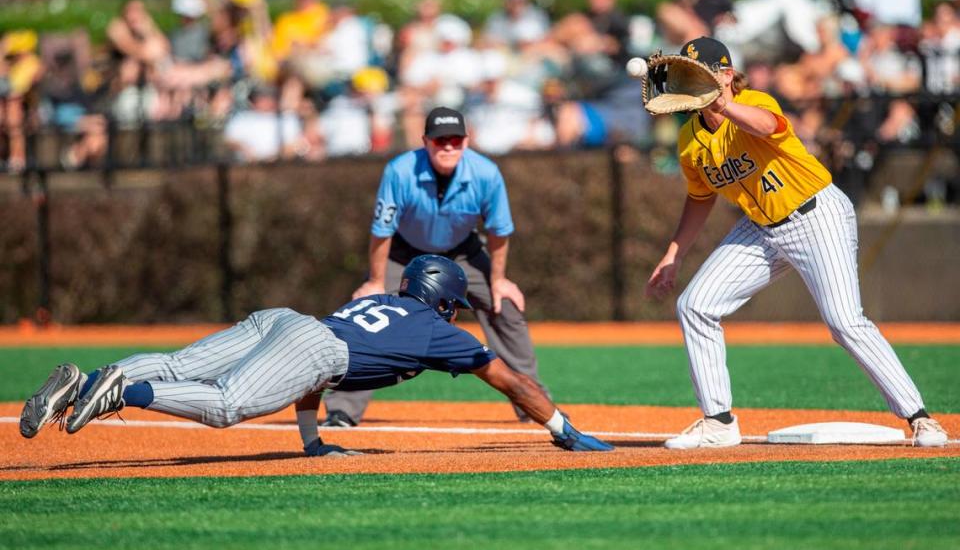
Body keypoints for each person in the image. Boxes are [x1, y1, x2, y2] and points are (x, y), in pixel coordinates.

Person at [643, 36, 949, 450]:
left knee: (844, 322)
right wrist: (674, 253)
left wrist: (724, 104)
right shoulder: (689, 141)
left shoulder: (757, 102)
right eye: (687, 77)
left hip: (815, 214)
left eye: (702, 75)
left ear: (728, 76)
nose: (693, 84)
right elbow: (700, 198)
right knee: (695, 305)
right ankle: (718, 422)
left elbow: (768, 126)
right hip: (762, 229)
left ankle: (921, 418)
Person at [19, 255, 613, 456]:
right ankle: (120, 391)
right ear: (447, 303)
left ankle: (90, 379)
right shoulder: (440, 332)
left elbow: (315, 367)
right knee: (227, 406)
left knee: (179, 364)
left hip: (288, 319)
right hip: (316, 343)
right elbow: (510, 380)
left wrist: (310, 440)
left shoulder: (385, 301)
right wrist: (563, 428)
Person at [322, 106, 550, 427]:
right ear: (425, 141)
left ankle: (535, 403)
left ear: (466, 142)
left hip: (462, 253)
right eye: (440, 140)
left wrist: (498, 280)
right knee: (366, 313)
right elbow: (382, 232)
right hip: (403, 254)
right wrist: (375, 281)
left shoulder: (485, 173)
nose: (448, 147)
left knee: (505, 305)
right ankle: (342, 410)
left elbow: (499, 231)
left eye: (455, 140)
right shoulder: (400, 171)